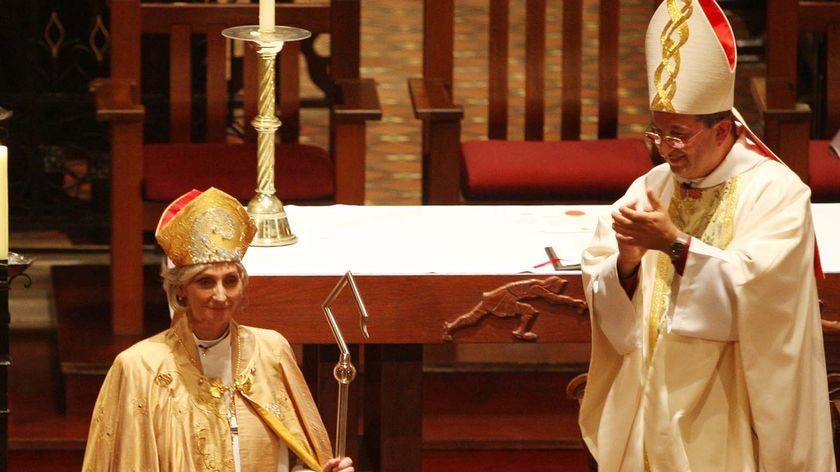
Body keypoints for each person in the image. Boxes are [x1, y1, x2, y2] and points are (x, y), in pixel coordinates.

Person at [578, 1, 836, 470]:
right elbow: (603, 268)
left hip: (730, 396)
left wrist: (676, 245)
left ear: (722, 130)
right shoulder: (653, 185)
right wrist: (627, 262)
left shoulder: (776, 192)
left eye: (678, 134)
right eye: (657, 134)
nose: (666, 150)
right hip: (650, 388)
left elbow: (764, 296)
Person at [82, 187, 354, 472]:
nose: (222, 296)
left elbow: (295, 460)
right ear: (181, 290)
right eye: (206, 282)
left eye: (231, 280)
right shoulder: (140, 366)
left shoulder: (270, 349)